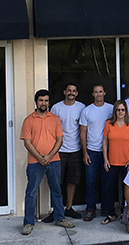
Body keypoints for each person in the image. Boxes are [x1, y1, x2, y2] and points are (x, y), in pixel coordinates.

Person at [20, 89, 75, 235]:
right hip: (34, 162)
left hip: (54, 160)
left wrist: (49, 156)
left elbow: (59, 140)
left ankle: (60, 218)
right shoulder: (28, 120)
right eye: (41, 100)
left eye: (46, 100)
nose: (43, 103)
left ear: (48, 102)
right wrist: (40, 157)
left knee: (56, 190)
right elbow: (27, 143)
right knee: (31, 192)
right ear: (36, 102)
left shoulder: (55, 119)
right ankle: (28, 223)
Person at [101, 99, 129, 225]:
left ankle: (125, 211)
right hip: (112, 161)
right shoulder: (109, 124)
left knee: (126, 188)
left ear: (126, 111)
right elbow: (105, 142)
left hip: (127, 162)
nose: (120, 112)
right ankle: (111, 213)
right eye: (118, 110)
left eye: (123, 109)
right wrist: (105, 159)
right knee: (108, 187)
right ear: (115, 111)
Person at [79, 84, 113, 221]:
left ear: (104, 93)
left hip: (109, 151)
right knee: (90, 182)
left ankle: (106, 208)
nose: (98, 94)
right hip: (92, 151)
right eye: (95, 92)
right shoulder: (86, 110)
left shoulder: (111, 109)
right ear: (92, 94)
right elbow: (83, 132)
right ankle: (90, 209)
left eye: (100, 92)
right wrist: (85, 152)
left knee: (107, 182)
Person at [51, 83, 85, 219]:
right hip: (58, 150)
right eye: (69, 90)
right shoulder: (56, 108)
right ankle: (56, 210)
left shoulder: (81, 108)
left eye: (74, 91)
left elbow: (83, 129)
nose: (71, 93)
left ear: (77, 93)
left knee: (72, 180)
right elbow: (50, 128)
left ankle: (69, 208)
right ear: (64, 92)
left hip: (75, 149)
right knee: (56, 181)